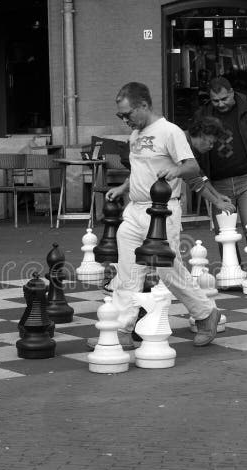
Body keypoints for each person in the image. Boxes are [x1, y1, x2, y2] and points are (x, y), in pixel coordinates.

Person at [93, 82, 221, 349]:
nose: (125, 120)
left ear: (143, 105)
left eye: (127, 114)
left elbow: (192, 165)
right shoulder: (135, 135)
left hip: (162, 211)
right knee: (127, 272)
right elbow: (140, 169)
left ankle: (206, 313)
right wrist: (123, 187)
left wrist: (176, 172)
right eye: (121, 116)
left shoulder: (169, 132)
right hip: (135, 209)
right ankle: (121, 330)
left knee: (167, 269)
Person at [192, 76, 247, 232]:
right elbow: (195, 145)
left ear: (232, 92)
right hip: (218, 183)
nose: (220, 104)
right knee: (225, 234)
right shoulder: (203, 113)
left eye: (224, 99)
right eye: (215, 101)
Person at [182, 116, 236, 215]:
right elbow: (193, 180)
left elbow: (200, 174)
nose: (211, 147)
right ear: (201, 134)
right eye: (210, 142)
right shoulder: (181, 141)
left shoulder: (189, 143)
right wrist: (217, 202)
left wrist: (217, 195)